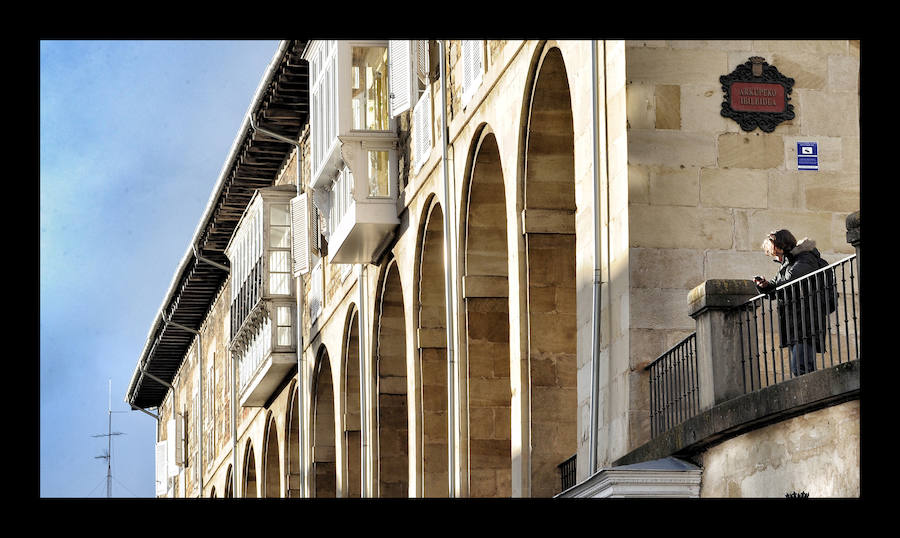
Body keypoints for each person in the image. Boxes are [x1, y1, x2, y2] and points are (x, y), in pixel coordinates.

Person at [753, 229, 832, 377]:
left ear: (781, 245)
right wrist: (763, 285)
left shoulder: (805, 258)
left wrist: (772, 286)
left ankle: (810, 396)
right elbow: (775, 288)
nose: (773, 255)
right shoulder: (789, 264)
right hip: (796, 321)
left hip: (806, 320)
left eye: (774, 251)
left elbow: (792, 281)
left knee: (802, 368)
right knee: (801, 368)